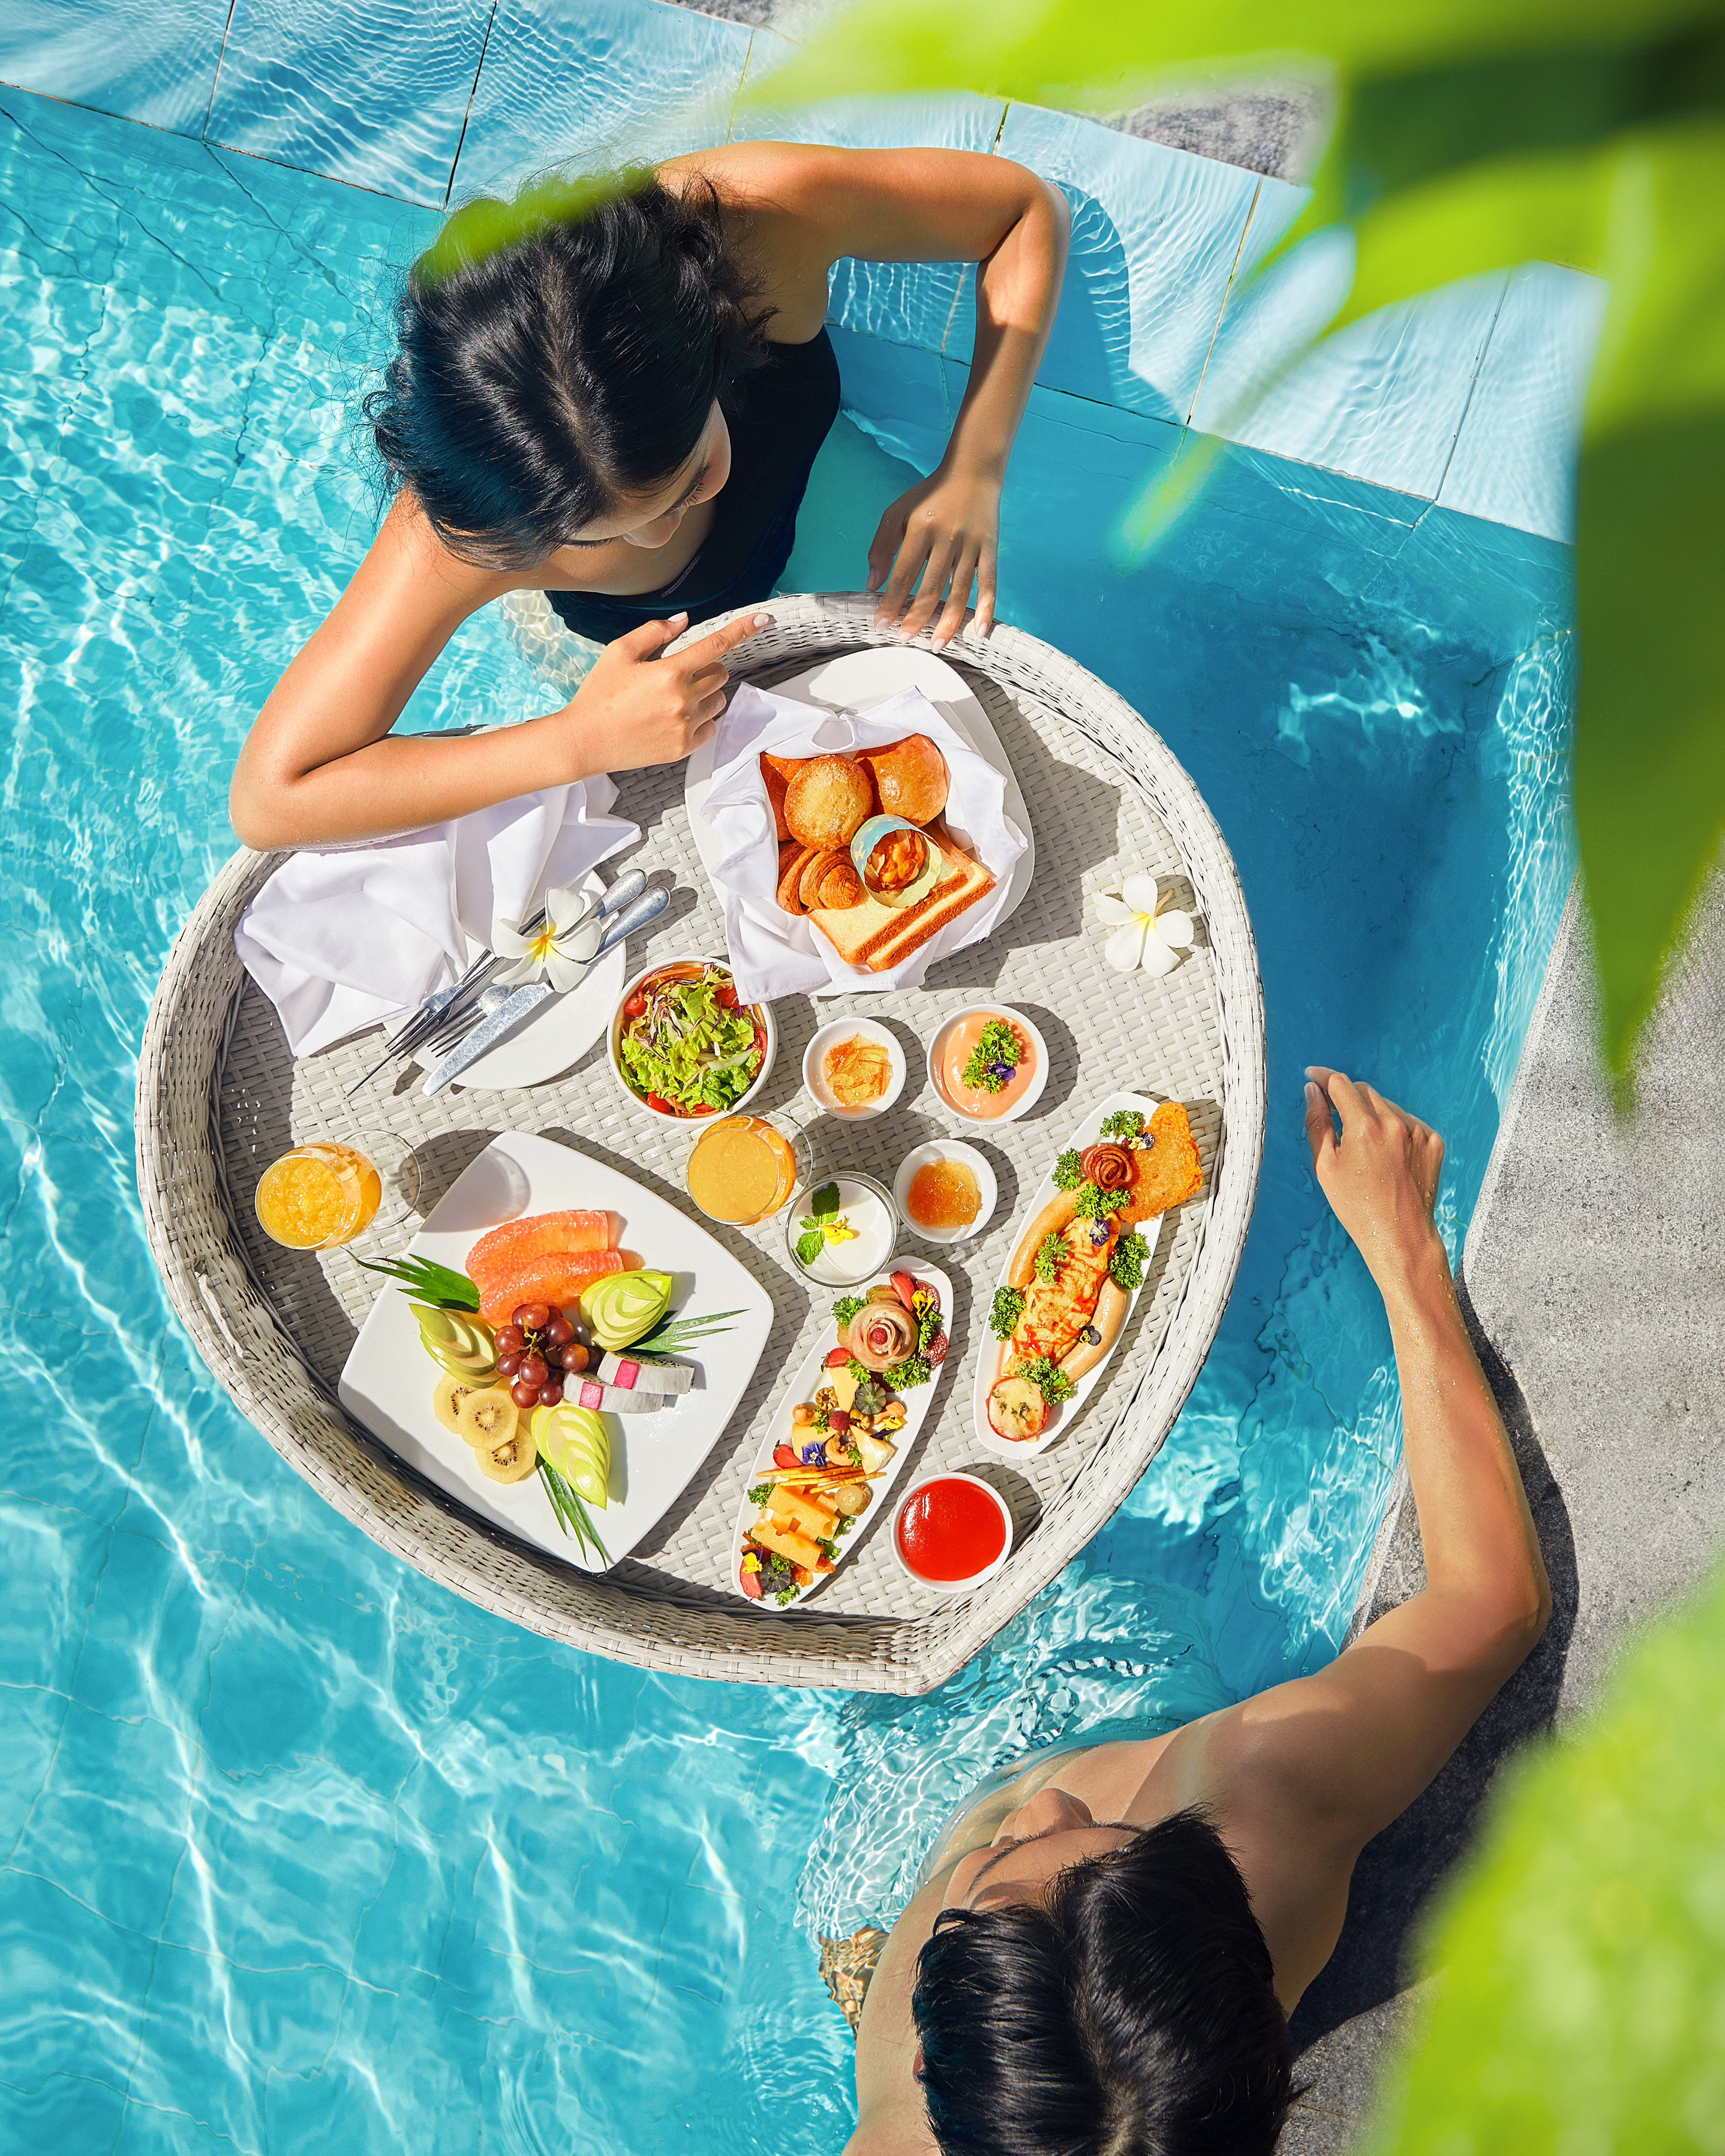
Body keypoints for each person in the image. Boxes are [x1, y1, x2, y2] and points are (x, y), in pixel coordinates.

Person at [842, 1068, 1552, 2156]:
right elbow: (1490, 1599)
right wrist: (1401, 1244)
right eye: (1109, 1835)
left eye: (968, 1919)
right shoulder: (1261, 1803)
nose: (1039, 1813)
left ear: (942, 2071)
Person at [229, 145, 1069, 851]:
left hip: (785, 527)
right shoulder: (476, 523)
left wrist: (974, 469)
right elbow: (272, 801)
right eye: (603, 537)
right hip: (639, 650)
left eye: (689, 479)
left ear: (717, 334)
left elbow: (1022, 212)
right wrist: (574, 740)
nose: (660, 534)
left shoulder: (761, 223)